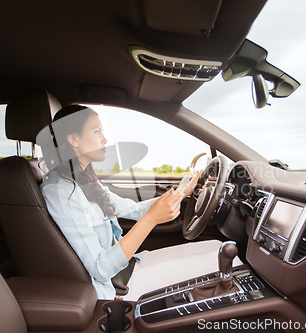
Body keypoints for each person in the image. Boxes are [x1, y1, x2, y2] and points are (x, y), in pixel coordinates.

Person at [40, 105, 231, 300]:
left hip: (127, 267)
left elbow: (132, 208)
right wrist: (151, 219)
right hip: (118, 286)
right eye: (97, 132)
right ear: (74, 139)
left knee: (216, 247)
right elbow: (100, 268)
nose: (105, 139)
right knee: (223, 262)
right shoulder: (63, 192)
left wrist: (184, 192)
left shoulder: (84, 179)